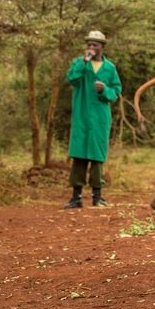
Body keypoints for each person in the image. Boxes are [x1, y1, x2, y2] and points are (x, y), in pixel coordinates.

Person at [63, 30, 122, 209]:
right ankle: (76, 197)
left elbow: (116, 91)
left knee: (97, 157)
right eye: (89, 45)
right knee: (79, 156)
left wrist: (104, 90)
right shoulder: (79, 63)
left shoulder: (110, 68)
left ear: (102, 47)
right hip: (81, 116)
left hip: (99, 118)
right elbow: (71, 78)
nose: (91, 48)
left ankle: (98, 197)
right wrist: (83, 63)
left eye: (95, 45)